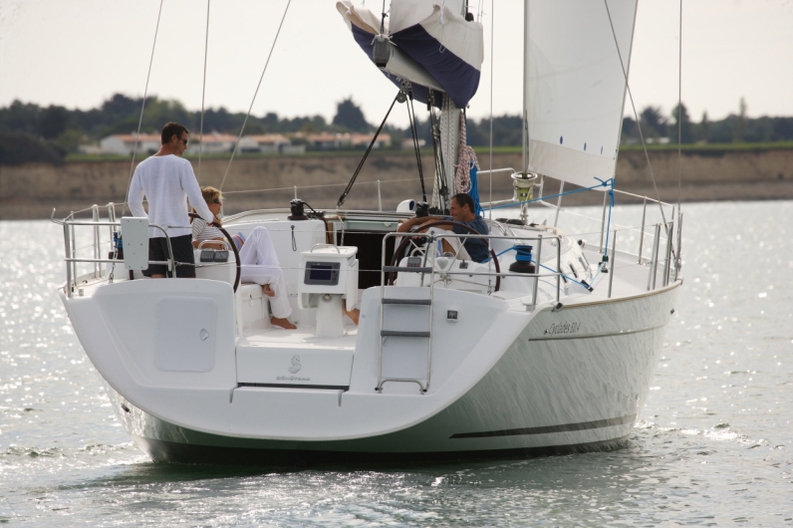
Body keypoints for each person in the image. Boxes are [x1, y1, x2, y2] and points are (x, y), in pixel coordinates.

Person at [191, 186, 297, 330]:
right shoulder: (200, 220)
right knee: (276, 273)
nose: (220, 204)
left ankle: (267, 283)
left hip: (233, 263)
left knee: (260, 231)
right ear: (206, 203)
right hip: (224, 270)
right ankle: (280, 317)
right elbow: (186, 241)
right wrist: (209, 244)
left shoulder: (212, 220)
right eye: (217, 200)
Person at [128, 122, 217, 278]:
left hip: (154, 234)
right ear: (174, 138)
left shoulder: (142, 166)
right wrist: (211, 218)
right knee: (186, 282)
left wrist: (149, 223)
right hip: (178, 233)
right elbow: (195, 199)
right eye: (185, 142)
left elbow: (133, 203)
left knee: (158, 279)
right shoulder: (182, 165)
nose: (186, 147)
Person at [396, 193, 490, 262]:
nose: (451, 213)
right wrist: (413, 221)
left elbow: (457, 227)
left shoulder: (480, 225)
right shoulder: (456, 219)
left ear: (465, 207)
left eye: (453, 209)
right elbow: (437, 218)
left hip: (473, 264)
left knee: (449, 233)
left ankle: (447, 263)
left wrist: (431, 224)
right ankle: (445, 262)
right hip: (459, 263)